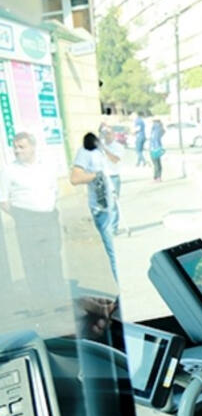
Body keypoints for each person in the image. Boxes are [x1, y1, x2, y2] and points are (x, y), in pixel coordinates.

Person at [0, 132, 65, 304]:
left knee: (53, 256)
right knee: (32, 259)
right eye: (15, 147)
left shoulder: (47, 166)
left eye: (22, 147)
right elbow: (3, 200)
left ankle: (58, 294)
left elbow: (54, 190)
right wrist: (21, 216)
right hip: (26, 220)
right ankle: (40, 297)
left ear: (33, 147)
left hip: (49, 218)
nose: (17, 150)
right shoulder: (9, 170)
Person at [70, 132, 117, 281]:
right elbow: (75, 178)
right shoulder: (84, 152)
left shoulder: (100, 151)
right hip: (100, 207)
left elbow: (116, 161)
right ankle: (118, 286)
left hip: (111, 203)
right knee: (113, 253)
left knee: (116, 252)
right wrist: (96, 176)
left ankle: (119, 283)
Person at [99, 123, 124, 234]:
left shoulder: (118, 147)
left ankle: (113, 228)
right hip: (101, 178)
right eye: (104, 133)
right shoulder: (98, 147)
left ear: (113, 134)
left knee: (113, 204)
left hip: (113, 177)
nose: (106, 135)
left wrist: (105, 150)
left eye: (108, 133)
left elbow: (115, 160)